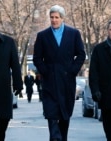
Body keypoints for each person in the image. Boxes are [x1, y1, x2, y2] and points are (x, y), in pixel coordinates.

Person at [33, 5, 86, 141]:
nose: (54, 20)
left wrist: (73, 70)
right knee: (51, 115)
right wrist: (45, 71)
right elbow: (37, 58)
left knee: (64, 116)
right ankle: (55, 138)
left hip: (67, 81)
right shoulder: (43, 36)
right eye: (52, 17)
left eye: (57, 17)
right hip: (50, 81)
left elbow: (81, 54)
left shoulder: (73, 33)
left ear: (62, 18)